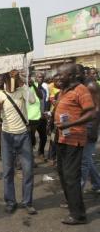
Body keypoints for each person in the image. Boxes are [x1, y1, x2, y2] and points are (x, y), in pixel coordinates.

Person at [0, 70, 37, 215]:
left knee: (28, 171)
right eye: (9, 78)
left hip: (23, 135)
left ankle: (27, 202)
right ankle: (10, 202)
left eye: (14, 79)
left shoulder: (23, 91)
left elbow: (33, 100)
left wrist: (23, 82)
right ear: (4, 80)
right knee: (8, 172)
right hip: (7, 136)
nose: (11, 82)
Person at [54, 63, 95, 225]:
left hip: (74, 139)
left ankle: (79, 215)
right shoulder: (64, 90)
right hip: (61, 138)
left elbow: (91, 112)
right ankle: (73, 206)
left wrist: (69, 125)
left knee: (71, 177)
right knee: (63, 174)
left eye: (60, 75)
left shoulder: (81, 90)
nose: (57, 78)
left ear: (71, 76)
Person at [75, 65, 100, 193]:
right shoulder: (78, 86)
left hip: (90, 126)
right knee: (87, 159)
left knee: (84, 161)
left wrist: (93, 129)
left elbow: (98, 108)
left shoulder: (91, 85)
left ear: (81, 73)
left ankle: (76, 195)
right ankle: (97, 184)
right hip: (81, 125)